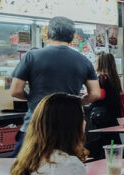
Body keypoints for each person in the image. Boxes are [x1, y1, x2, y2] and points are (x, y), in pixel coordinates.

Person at [10, 15, 100, 156]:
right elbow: (95, 93)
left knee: (25, 164)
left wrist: (32, 98)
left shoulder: (31, 56)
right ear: (72, 37)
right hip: (70, 124)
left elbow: (15, 91)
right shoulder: (84, 61)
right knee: (67, 165)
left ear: (48, 34)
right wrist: (76, 101)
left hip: (36, 122)